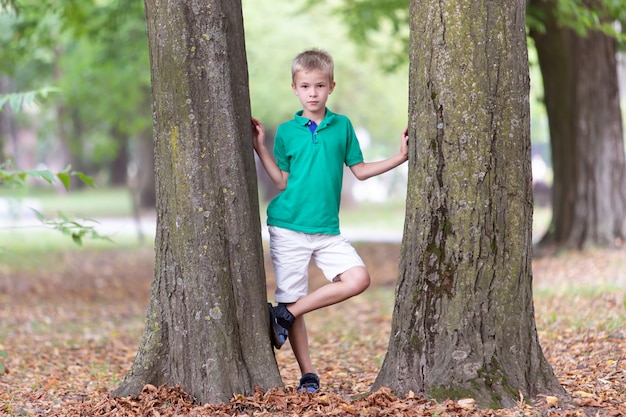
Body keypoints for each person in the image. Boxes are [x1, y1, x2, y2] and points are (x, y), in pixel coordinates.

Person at [251, 48, 408, 393]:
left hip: (326, 230)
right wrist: (260, 147)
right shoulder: (289, 132)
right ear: (294, 88)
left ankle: (284, 314)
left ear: (331, 87)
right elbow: (280, 181)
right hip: (288, 225)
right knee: (291, 296)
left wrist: (401, 157)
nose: (312, 92)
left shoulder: (342, 127)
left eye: (319, 86)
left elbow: (361, 171)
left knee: (357, 278)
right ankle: (308, 374)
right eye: (305, 86)